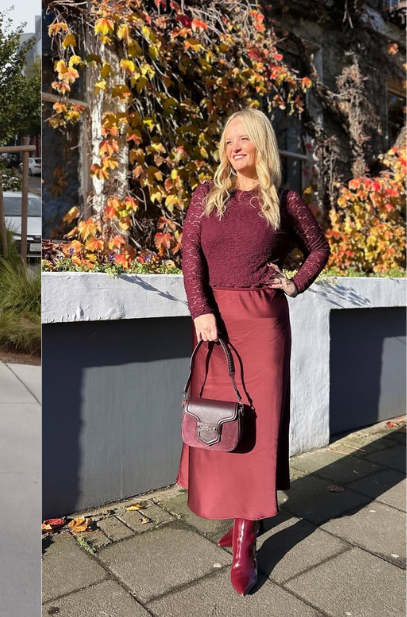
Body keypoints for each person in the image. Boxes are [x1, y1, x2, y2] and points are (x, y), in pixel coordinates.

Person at [178, 108, 329, 595]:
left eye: (243, 139)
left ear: (262, 143)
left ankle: (246, 533)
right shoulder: (207, 195)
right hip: (213, 322)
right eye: (227, 141)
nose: (234, 147)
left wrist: (294, 282)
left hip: (262, 324)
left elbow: (318, 249)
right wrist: (201, 310)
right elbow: (190, 257)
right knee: (216, 419)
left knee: (257, 426)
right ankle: (236, 513)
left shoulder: (284, 200)